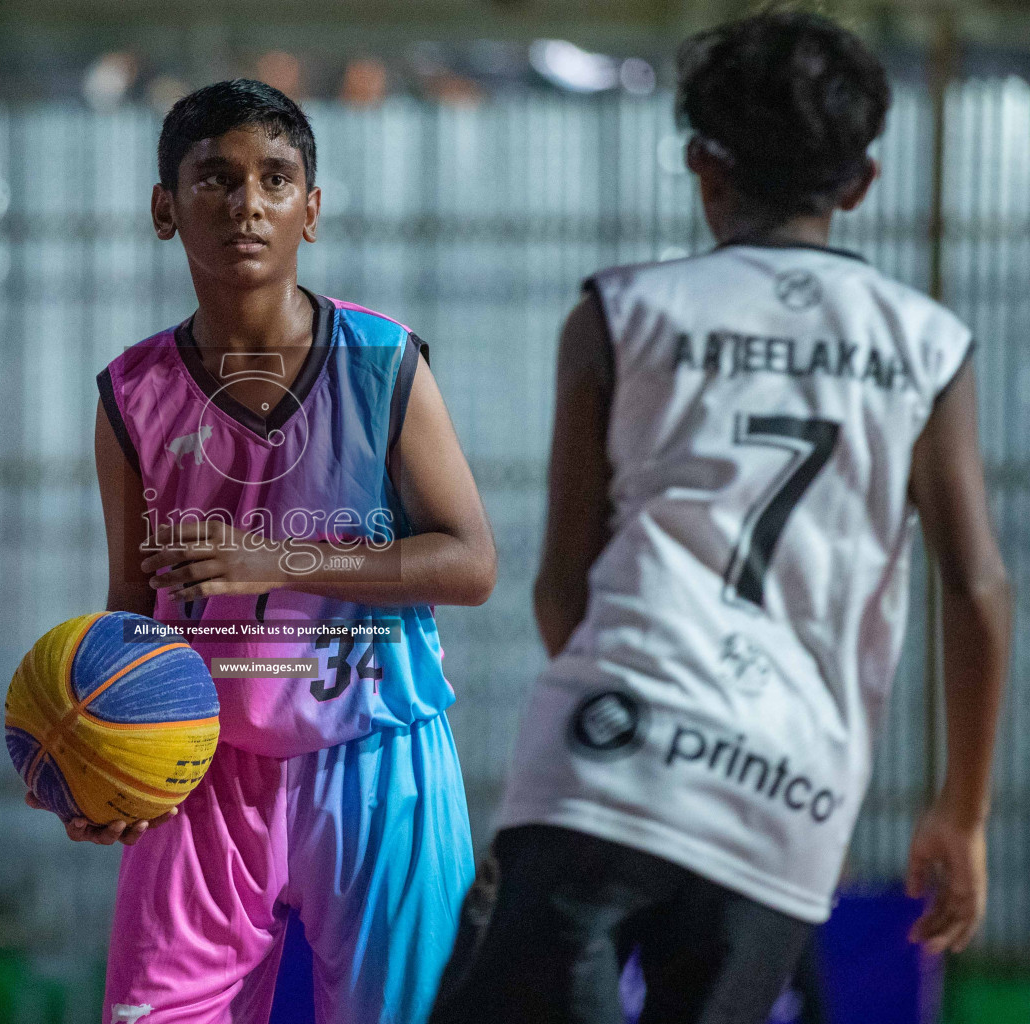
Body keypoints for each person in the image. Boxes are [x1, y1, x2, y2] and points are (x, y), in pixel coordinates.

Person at [431, 12, 1012, 1024]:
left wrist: (632, 714)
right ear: (862, 182)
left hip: (608, 757)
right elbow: (977, 590)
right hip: (785, 794)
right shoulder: (928, 345)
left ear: (701, 165)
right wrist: (962, 811)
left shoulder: (620, 314)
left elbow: (563, 578)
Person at [28, 79, 497, 1023]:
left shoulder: (381, 361)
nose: (248, 204)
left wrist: (276, 562)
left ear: (310, 211)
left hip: (375, 753)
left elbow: (470, 563)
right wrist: (98, 754)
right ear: (166, 209)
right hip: (199, 764)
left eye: (276, 180)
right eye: (217, 179)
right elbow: (133, 602)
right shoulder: (131, 394)